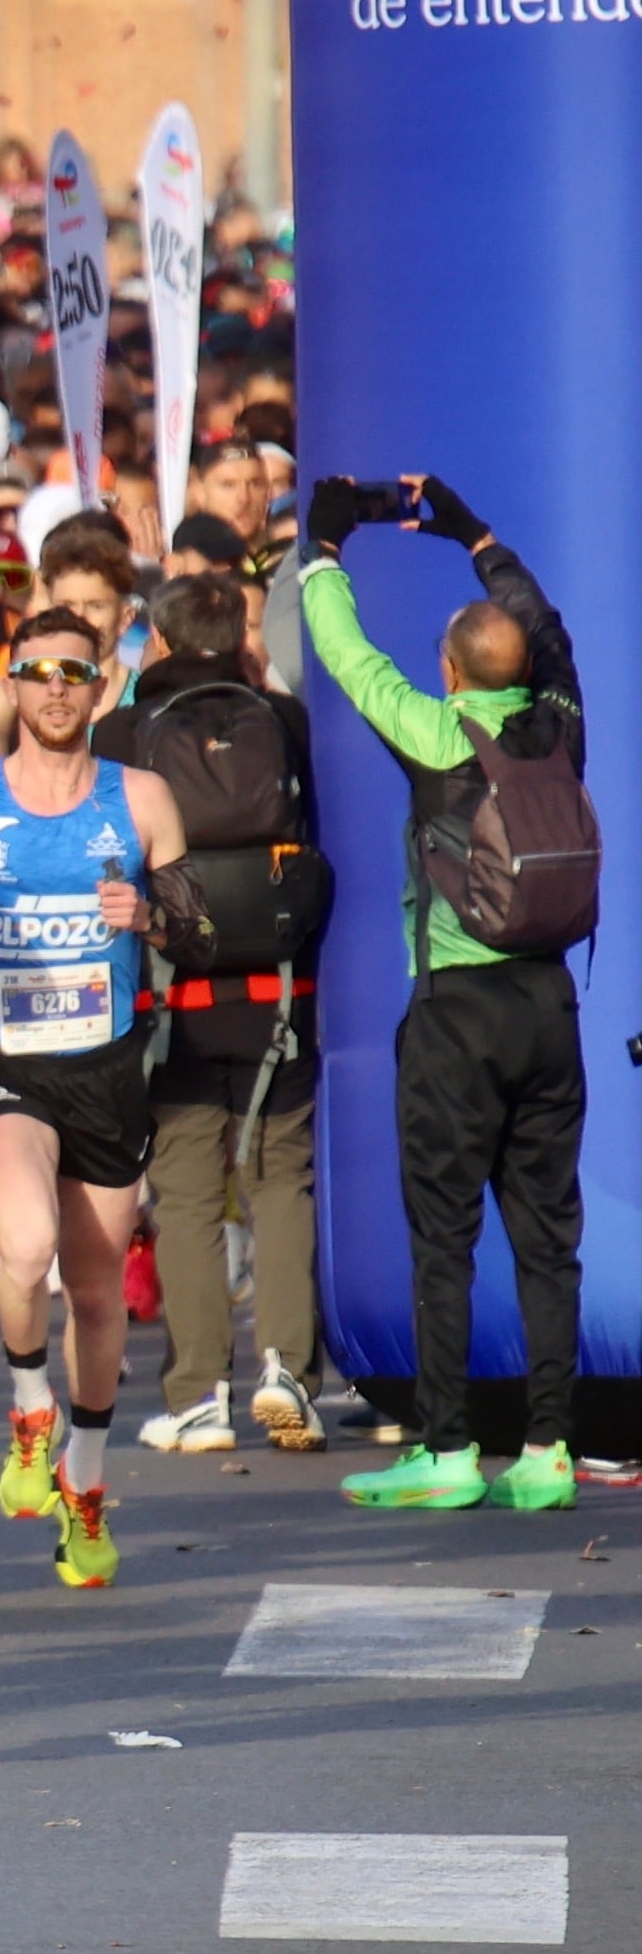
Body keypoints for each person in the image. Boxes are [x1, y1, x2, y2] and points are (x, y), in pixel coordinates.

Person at [297, 475, 590, 1512]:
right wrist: (476, 533)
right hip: (550, 1005)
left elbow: (344, 656)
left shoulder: (432, 734)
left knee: (442, 1233)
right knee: (547, 1237)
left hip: (455, 1010)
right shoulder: (559, 729)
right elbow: (546, 635)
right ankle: (549, 1450)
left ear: (448, 669)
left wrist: (325, 547)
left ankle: (446, 1446)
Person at [0, 605, 198, 1591]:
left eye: (71, 671)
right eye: (32, 672)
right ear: (11, 686)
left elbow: (199, 925)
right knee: (23, 1246)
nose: (53, 689)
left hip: (105, 1067)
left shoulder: (142, 797)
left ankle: (82, 1489)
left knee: (92, 1292)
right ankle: (26, 1413)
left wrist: (150, 912)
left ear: (98, 686)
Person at [98, 570, 331, 1455]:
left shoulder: (121, 734)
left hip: (171, 1001)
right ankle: (287, 1374)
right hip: (279, 994)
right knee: (281, 1186)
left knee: (187, 1197)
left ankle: (197, 1394)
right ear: (241, 635)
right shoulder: (286, 724)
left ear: (155, 641)